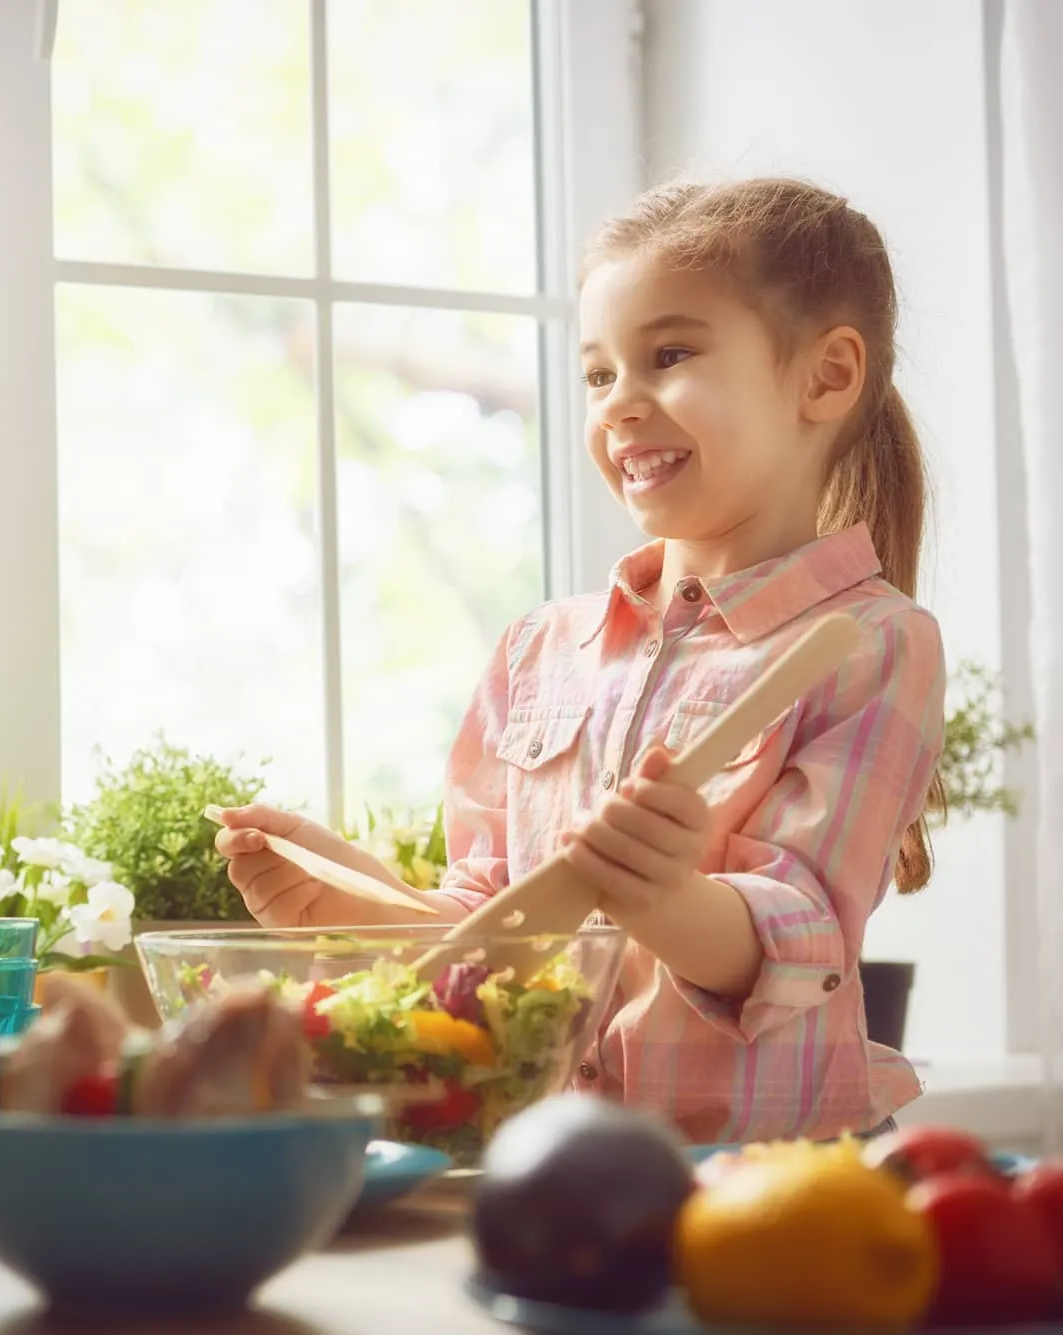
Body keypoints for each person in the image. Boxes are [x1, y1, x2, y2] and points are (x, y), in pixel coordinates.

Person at [218, 178, 945, 1146]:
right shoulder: (540, 650)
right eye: (598, 375)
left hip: (763, 1181)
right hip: (547, 1161)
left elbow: (800, 936)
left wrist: (662, 898)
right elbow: (502, 934)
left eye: (669, 356)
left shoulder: (874, 641)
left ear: (826, 376)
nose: (618, 405)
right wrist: (356, 903)